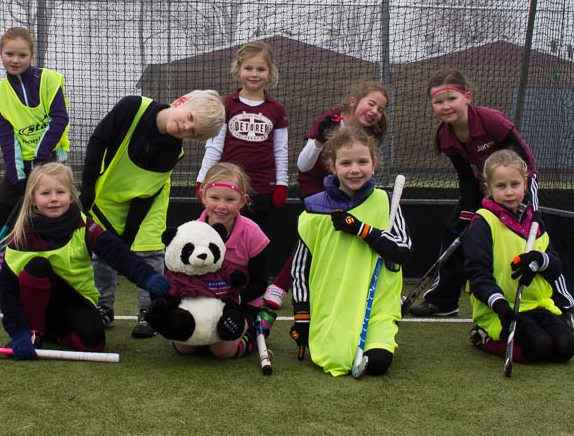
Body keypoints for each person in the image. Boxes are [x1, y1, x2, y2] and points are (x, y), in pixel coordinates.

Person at [409, 69, 574, 317]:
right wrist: (468, 210)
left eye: (452, 99)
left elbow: (525, 159)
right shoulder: (445, 136)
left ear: (467, 97)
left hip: (519, 182)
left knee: (536, 235)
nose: (446, 106)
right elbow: (466, 178)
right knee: (455, 231)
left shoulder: (491, 120)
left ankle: (563, 301)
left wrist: (523, 195)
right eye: (438, 102)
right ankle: (443, 301)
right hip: (485, 187)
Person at [80, 90, 226, 338]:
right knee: (102, 252)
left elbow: (145, 193)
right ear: (180, 101)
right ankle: (103, 307)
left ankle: (150, 311)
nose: (185, 128)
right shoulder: (131, 107)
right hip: (104, 193)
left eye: (192, 132)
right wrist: (87, 189)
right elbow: (98, 142)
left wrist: (128, 234)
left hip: (145, 201)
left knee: (148, 252)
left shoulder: (171, 152)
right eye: (189, 118)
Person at [0, 162, 170, 360]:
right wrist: (19, 332)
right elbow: (8, 292)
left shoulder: (84, 225)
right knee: (37, 266)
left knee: (94, 343)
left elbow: (117, 253)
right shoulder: (21, 236)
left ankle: (53, 333)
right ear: (33, 200)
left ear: (71, 196)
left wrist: (148, 277)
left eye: (60, 192)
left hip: (75, 299)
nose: (54, 199)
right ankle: (33, 331)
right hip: (34, 303)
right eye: (45, 193)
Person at [257, 80, 391, 323]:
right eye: (371, 104)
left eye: (380, 109)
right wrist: (319, 141)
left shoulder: (370, 133)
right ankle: (280, 286)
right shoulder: (329, 121)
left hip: (348, 187)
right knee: (315, 235)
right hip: (316, 185)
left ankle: (371, 287)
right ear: (354, 101)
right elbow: (303, 164)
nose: (374, 111)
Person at [289, 128, 411, 377]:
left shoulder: (386, 202)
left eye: (362, 162)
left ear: (374, 163)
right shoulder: (313, 210)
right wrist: (302, 315)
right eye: (346, 163)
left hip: (377, 307)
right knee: (334, 360)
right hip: (332, 305)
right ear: (332, 166)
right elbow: (300, 268)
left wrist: (362, 230)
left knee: (378, 362)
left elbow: (403, 249)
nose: (355, 170)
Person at [0, 26, 71, 309]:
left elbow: (59, 118)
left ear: (32, 55)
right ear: (0, 54)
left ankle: (61, 279)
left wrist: (41, 157)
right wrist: (17, 174)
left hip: (50, 165)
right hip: (19, 167)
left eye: (22, 55)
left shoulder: (50, 80)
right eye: (9, 54)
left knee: (53, 221)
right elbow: (6, 135)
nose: (15, 60)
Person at [465, 149, 574, 364]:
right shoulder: (483, 222)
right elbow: (477, 274)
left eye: (515, 184)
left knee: (566, 347)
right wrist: (499, 305)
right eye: (501, 186)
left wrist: (539, 260)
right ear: (488, 188)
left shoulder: (534, 221)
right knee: (539, 347)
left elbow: (555, 266)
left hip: (536, 305)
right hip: (501, 309)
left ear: (525, 184)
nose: (509, 192)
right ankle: (483, 337)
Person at [154, 162, 270, 359]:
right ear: (202, 196)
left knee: (222, 351)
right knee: (184, 347)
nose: (221, 206)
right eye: (215, 198)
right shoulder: (190, 231)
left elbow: (260, 283)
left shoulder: (252, 233)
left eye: (230, 199)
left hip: (238, 303)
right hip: (199, 300)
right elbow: (175, 274)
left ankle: (263, 324)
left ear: (242, 201)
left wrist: (234, 298)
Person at [196, 41, 289, 233]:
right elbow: (214, 147)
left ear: (270, 71)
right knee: (221, 235)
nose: (254, 74)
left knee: (254, 237)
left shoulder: (276, 110)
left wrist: (282, 183)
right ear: (238, 69)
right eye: (248, 68)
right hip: (227, 187)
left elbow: (281, 151)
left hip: (262, 188)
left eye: (261, 69)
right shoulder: (227, 105)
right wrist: (202, 179)